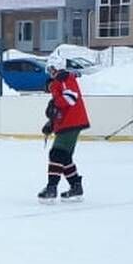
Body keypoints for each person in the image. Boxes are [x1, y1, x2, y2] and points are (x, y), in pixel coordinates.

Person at [38, 53, 89, 200]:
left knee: (56, 154)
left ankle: (51, 188)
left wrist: (55, 102)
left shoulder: (64, 78)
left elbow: (70, 98)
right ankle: (75, 186)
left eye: (51, 69)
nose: (50, 72)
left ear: (57, 67)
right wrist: (51, 124)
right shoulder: (59, 81)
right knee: (64, 157)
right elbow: (61, 108)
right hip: (69, 123)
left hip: (72, 122)